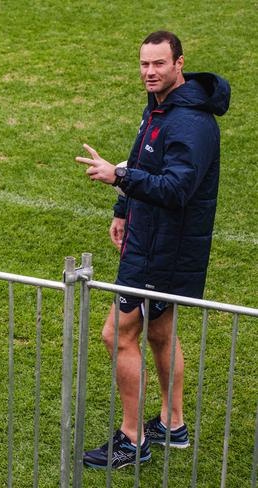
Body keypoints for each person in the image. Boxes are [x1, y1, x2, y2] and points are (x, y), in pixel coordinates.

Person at [75, 31, 230, 469]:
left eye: (159, 64)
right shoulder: (161, 106)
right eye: (144, 64)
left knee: (117, 334)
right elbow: (143, 158)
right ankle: (172, 424)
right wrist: (124, 208)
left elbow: (178, 187)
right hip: (152, 241)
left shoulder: (190, 123)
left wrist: (119, 179)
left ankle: (132, 437)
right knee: (160, 333)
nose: (149, 72)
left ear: (179, 63)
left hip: (164, 250)